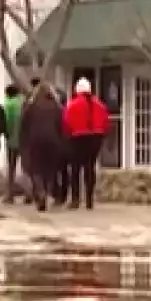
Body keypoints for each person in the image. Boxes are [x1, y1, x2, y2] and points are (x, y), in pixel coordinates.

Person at [62, 77, 112, 209]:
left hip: (77, 138)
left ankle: (75, 199)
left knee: (75, 169)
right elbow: (106, 124)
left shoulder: (72, 105)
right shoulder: (100, 105)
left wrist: (67, 137)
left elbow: (66, 123)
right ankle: (89, 200)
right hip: (95, 138)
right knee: (90, 167)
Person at [19, 82, 66, 213]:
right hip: (53, 142)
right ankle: (46, 190)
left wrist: (23, 144)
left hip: (35, 142)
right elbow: (61, 127)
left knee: (36, 169)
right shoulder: (57, 108)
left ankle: (40, 191)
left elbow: (23, 127)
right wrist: (62, 142)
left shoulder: (31, 107)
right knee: (49, 170)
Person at [1, 83, 25, 204]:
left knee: (11, 168)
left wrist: (6, 134)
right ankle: (30, 193)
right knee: (26, 168)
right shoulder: (23, 104)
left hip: (12, 141)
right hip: (25, 140)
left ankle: (9, 195)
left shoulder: (9, 105)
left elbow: (7, 123)